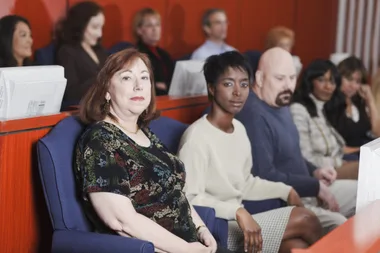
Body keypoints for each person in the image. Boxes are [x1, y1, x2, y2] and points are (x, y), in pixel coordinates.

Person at [75, 48, 233, 253]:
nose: (138, 86)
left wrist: (201, 228)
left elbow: (175, 192)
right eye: (126, 78)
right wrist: (185, 249)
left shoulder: (146, 134)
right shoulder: (100, 140)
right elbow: (122, 222)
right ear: (106, 90)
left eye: (144, 78)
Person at [178, 51, 322, 253]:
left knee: (296, 247)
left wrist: (285, 190)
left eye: (244, 84)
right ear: (211, 88)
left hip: (239, 219)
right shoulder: (196, 138)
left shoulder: (239, 129)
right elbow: (188, 199)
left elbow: (245, 183)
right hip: (216, 228)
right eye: (228, 84)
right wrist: (237, 211)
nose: (238, 92)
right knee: (306, 219)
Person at [235, 47, 357, 234]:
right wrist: (314, 186)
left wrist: (314, 171)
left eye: (292, 78)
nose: (288, 86)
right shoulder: (253, 115)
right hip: (287, 200)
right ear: (259, 79)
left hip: (309, 186)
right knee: (339, 223)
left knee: (366, 194)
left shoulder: (279, 102)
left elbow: (292, 154)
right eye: (279, 78)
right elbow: (265, 175)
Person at [290, 59, 359, 179]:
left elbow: (337, 148)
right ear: (309, 81)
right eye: (321, 80)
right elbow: (305, 157)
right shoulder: (298, 109)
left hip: (337, 162)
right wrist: (339, 163)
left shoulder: (321, 107)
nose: (328, 87)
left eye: (332, 82)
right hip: (321, 172)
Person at [55, 1, 108, 108]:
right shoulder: (67, 52)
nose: (100, 34)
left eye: (101, 27)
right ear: (80, 25)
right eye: (95, 27)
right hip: (85, 111)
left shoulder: (99, 50)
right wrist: (102, 79)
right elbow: (70, 93)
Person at [325, 56, 380, 149]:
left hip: (362, 155)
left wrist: (370, 100)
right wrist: (361, 150)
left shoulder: (359, 104)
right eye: (349, 79)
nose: (353, 86)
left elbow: (377, 132)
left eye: (357, 82)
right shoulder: (330, 104)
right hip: (344, 158)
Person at [133, 8, 174, 96]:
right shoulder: (137, 55)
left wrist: (166, 85)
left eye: (157, 25)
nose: (155, 29)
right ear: (139, 30)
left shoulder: (164, 55)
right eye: (149, 25)